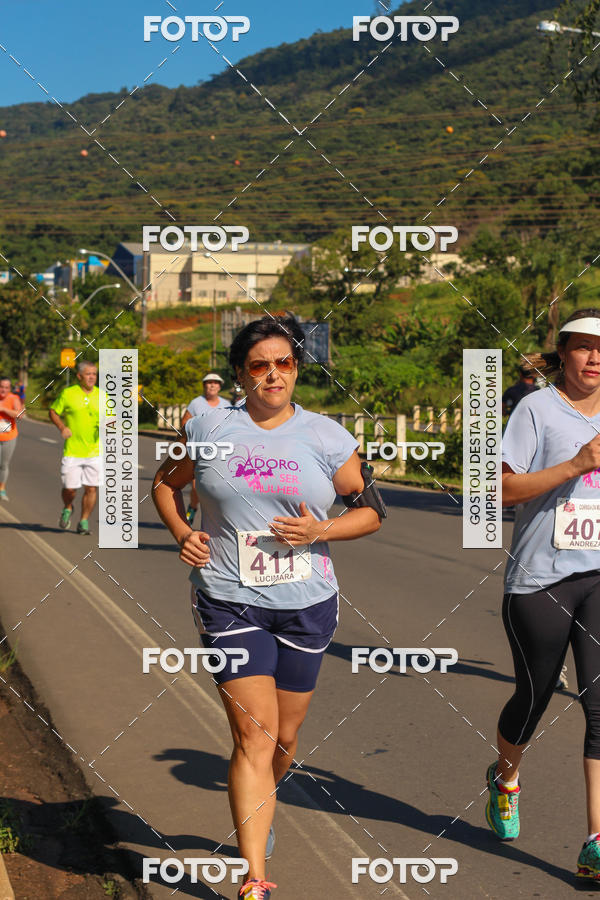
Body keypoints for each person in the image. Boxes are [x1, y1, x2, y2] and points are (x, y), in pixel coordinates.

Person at [153, 316, 384, 900]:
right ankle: (255, 877)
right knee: (254, 736)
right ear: (241, 374)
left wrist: (321, 529)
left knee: (284, 738)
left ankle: (264, 805)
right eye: (260, 365)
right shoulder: (208, 427)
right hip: (230, 598)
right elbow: (164, 482)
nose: (273, 375)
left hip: (307, 602)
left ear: (297, 370)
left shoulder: (327, 435)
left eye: (284, 363)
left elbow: (372, 511)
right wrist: (182, 530)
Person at [485, 307, 600, 883]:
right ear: (563, 354)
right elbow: (499, 489)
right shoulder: (536, 408)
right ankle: (506, 775)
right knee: (533, 700)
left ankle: (596, 841)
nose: (595, 358)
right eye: (583, 347)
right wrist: (576, 463)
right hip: (542, 577)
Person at [49, 360, 101, 534]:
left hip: (95, 451)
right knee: (70, 488)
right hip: (72, 450)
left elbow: (111, 418)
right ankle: (68, 507)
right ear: (79, 376)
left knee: (91, 488)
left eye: (94, 373)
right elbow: (53, 411)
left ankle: (84, 521)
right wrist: (62, 427)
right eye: (88, 374)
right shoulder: (68, 394)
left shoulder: (103, 396)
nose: (92, 377)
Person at [181, 373, 229, 526]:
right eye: (209, 383)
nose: (212, 385)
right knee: (196, 487)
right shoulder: (196, 404)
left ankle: (218, 520)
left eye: (215, 383)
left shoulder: (226, 404)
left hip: (221, 452)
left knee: (220, 488)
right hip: (199, 452)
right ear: (204, 386)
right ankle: (193, 507)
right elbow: (184, 425)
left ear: (220, 386)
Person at [0, 377, 23, 501]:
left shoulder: (13, 399)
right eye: (1, 386)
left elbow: (20, 414)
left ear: (9, 389)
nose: (3, 390)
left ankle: (1, 488)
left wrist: (4, 409)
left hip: (9, 437)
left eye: (6, 387)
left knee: (3, 465)